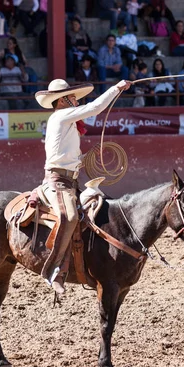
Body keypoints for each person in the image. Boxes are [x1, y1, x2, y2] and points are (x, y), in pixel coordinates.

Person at [34, 78, 132, 294]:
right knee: (69, 217)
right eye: (72, 99)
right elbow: (95, 108)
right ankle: (54, 270)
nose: (76, 102)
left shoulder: (63, 121)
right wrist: (116, 88)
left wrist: (86, 157)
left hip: (69, 180)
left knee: (96, 210)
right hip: (58, 181)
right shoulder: (61, 116)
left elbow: (67, 155)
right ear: (62, 101)